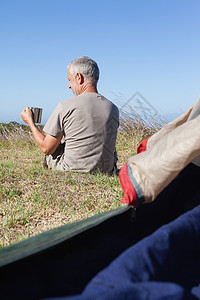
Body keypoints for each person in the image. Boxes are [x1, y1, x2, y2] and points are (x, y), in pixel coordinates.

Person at [21, 56, 119, 173]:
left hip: (72, 169)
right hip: (106, 170)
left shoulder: (65, 106)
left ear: (79, 77)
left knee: (54, 148)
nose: (69, 86)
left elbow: (46, 148)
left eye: (69, 80)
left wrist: (30, 122)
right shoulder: (113, 108)